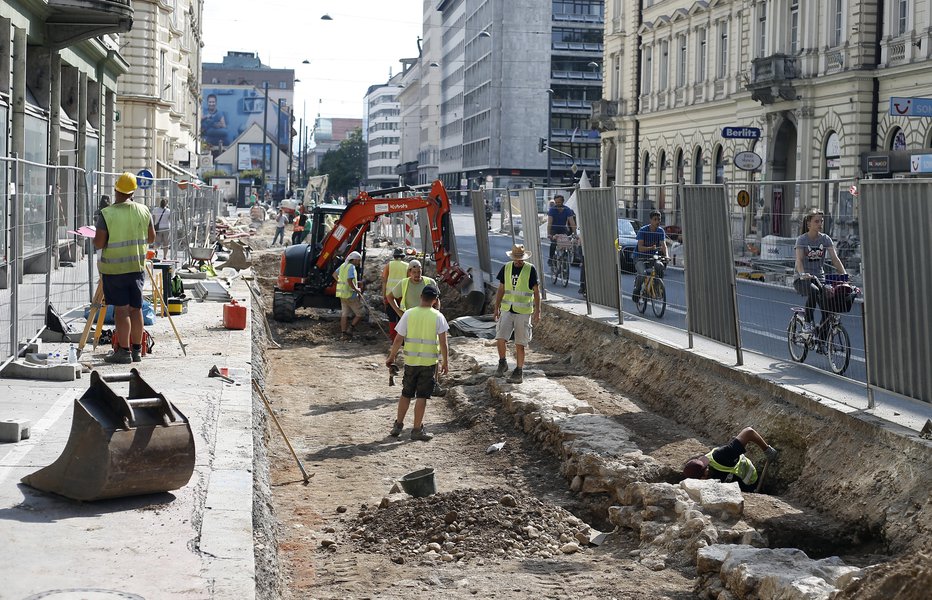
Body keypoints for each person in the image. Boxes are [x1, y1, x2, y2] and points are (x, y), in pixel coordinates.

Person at [93, 172, 156, 364]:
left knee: (121, 310)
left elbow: (99, 243)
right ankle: (137, 351)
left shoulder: (107, 214)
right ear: (133, 191)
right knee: (136, 309)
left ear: (116, 190)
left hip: (114, 270)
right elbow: (151, 238)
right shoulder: (144, 210)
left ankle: (124, 352)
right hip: (136, 268)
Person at [385, 285, 449, 441]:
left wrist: (391, 357)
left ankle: (398, 426)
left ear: (421, 296)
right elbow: (443, 342)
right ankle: (416, 430)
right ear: (435, 300)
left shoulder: (409, 314)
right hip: (428, 364)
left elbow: (398, 339)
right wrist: (445, 361)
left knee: (406, 394)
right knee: (422, 396)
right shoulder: (438, 316)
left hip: (411, 362)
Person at [794, 209, 847, 339]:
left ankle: (821, 341)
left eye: (821, 221)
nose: (820, 223)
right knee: (813, 290)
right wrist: (802, 274)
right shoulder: (802, 240)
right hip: (802, 280)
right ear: (809, 224)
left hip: (820, 279)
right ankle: (807, 323)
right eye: (816, 221)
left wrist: (844, 275)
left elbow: (835, 259)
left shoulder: (825, 239)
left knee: (828, 309)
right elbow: (799, 261)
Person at [493, 244, 541, 384]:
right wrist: (496, 308)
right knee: (500, 337)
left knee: (520, 343)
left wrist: (538, 311)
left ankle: (519, 371)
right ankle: (502, 362)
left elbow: (536, 292)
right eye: (516, 259)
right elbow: (501, 289)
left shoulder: (530, 269)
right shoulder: (506, 267)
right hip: (507, 309)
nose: (518, 261)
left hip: (523, 312)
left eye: (520, 258)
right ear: (512, 258)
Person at [682, 427, 779, 492]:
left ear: (703, 477)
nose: (706, 466)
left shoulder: (722, 456)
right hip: (732, 480)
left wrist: (767, 450)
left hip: (748, 480)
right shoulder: (702, 469)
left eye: (706, 468)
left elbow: (749, 432)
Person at [633, 210, 667, 301]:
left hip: (652, 257)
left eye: (659, 219)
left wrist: (666, 255)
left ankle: (656, 287)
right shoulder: (643, 230)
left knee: (660, 267)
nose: (657, 221)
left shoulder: (660, 231)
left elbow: (663, 245)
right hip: (639, 257)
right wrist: (651, 248)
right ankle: (637, 290)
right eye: (655, 219)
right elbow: (640, 248)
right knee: (643, 274)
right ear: (650, 220)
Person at [334, 251, 366, 340]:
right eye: (358, 260)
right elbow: (349, 280)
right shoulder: (351, 267)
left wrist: (341, 282)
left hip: (342, 295)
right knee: (360, 313)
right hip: (350, 294)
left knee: (344, 314)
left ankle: (343, 335)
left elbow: (335, 274)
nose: (359, 263)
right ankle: (350, 329)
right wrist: (356, 289)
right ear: (354, 259)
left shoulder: (343, 265)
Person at [381, 248, 409, 341]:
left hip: (390, 296)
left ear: (394, 256)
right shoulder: (407, 266)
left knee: (392, 318)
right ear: (403, 256)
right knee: (403, 318)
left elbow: (384, 281)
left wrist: (384, 295)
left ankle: (394, 339)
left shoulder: (389, 265)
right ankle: (403, 340)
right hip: (402, 296)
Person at [547, 194, 576, 267]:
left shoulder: (567, 210)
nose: (557, 204)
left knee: (566, 242)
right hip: (553, 229)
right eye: (556, 202)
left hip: (563, 229)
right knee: (553, 243)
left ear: (563, 201)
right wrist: (549, 234)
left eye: (559, 202)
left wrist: (575, 233)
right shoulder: (552, 210)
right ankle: (551, 258)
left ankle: (564, 255)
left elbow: (572, 222)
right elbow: (549, 223)